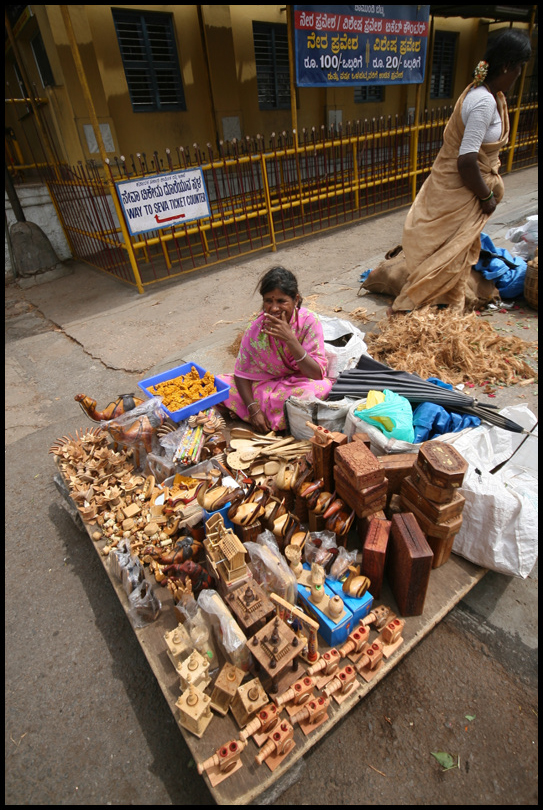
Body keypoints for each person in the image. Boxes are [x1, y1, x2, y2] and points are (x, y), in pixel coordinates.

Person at [390, 28, 532, 315]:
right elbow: (466, 161)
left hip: (459, 196)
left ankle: (445, 318)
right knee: (445, 259)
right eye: (518, 67)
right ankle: (414, 311)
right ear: (506, 66)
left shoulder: (490, 96)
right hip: (458, 195)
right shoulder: (483, 102)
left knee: (455, 259)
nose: (518, 74)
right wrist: (485, 196)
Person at [219, 266, 334, 432]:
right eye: (268, 301)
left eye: (281, 301)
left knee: (323, 388)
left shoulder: (309, 322)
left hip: (298, 384)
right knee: (220, 385)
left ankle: (255, 413)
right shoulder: (256, 329)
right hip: (263, 384)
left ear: (296, 300)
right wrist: (254, 409)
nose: (274, 308)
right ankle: (266, 415)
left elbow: (316, 374)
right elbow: (241, 374)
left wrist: (290, 340)